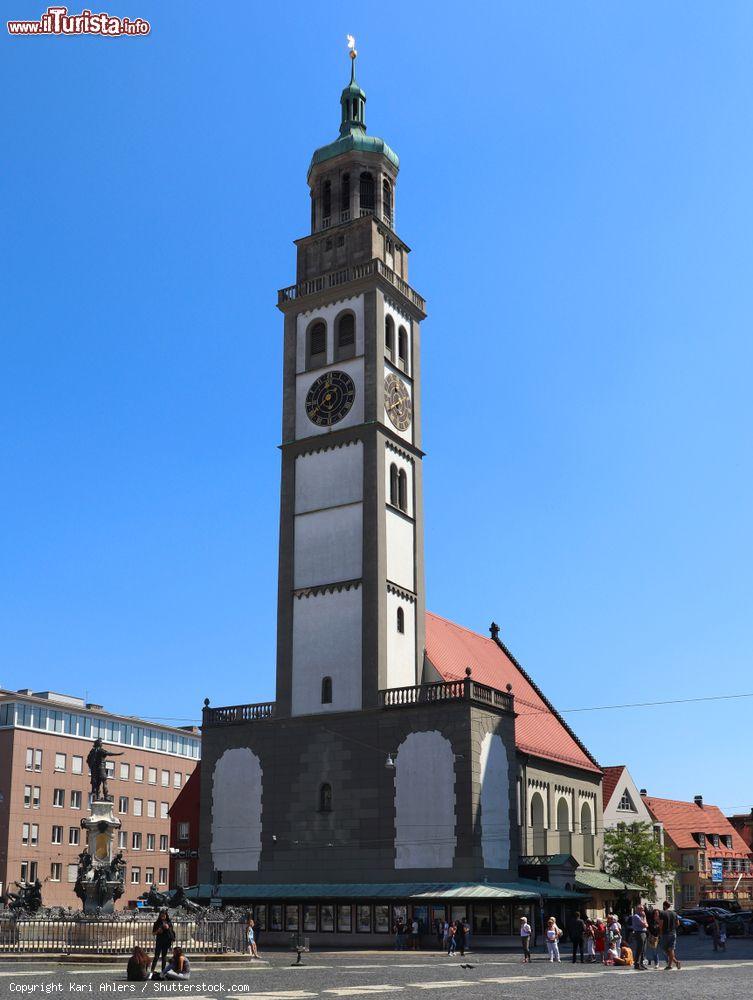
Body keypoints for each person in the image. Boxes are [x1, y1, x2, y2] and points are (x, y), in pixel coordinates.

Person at [151, 910, 175, 976]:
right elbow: (153, 933)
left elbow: (171, 931)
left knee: (164, 957)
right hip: (159, 941)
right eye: (161, 915)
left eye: (164, 915)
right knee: (156, 956)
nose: (163, 917)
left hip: (166, 941)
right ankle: (152, 971)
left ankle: (163, 971)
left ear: (166, 915)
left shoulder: (169, 922)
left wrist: (167, 927)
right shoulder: (156, 923)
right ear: (160, 916)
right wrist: (158, 931)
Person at [659, 900, 681, 970]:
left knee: (665, 949)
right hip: (673, 933)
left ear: (664, 906)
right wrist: (673, 928)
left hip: (665, 933)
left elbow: (661, 925)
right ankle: (676, 962)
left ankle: (670, 965)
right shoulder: (674, 913)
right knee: (671, 949)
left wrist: (660, 932)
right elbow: (678, 923)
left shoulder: (662, 913)